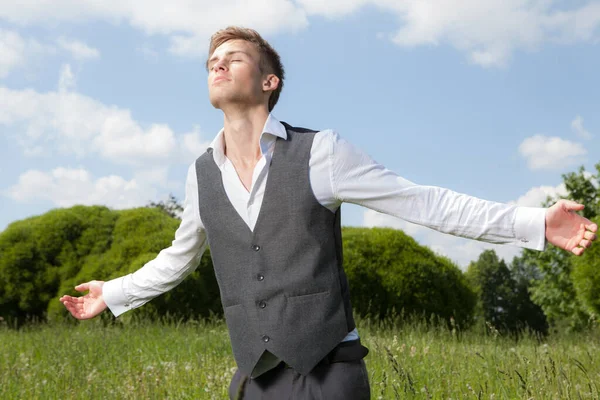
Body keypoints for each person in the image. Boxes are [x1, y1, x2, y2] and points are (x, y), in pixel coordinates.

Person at [60, 26, 598, 400]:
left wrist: (533, 223)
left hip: (329, 374)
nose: (218, 64)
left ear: (269, 82)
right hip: (254, 377)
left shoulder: (322, 152)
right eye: (211, 62)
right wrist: (114, 293)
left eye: (235, 57)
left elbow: (422, 202)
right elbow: (177, 260)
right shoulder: (201, 174)